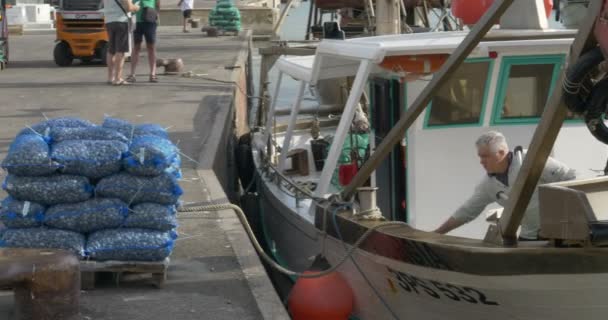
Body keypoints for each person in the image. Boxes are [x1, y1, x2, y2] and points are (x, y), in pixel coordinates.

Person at [433, 131, 576, 240]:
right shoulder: (487, 186)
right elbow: (466, 212)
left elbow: (571, 178)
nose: (481, 161)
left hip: (562, 233)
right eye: (480, 156)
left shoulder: (532, 159)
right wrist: (436, 234)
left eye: (485, 156)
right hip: (530, 237)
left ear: (501, 152)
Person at [103, 0, 139, 85]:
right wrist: (137, 7)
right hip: (121, 21)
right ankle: (118, 78)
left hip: (109, 21)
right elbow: (129, 7)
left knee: (111, 50)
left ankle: (110, 77)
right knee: (120, 50)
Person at [126, 0, 160, 83]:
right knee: (136, 47)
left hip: (150, 19)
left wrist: (157, 16)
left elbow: (158, 4)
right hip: (136, 20)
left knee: (151, 46)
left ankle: (152, 74)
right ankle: (132, 74)